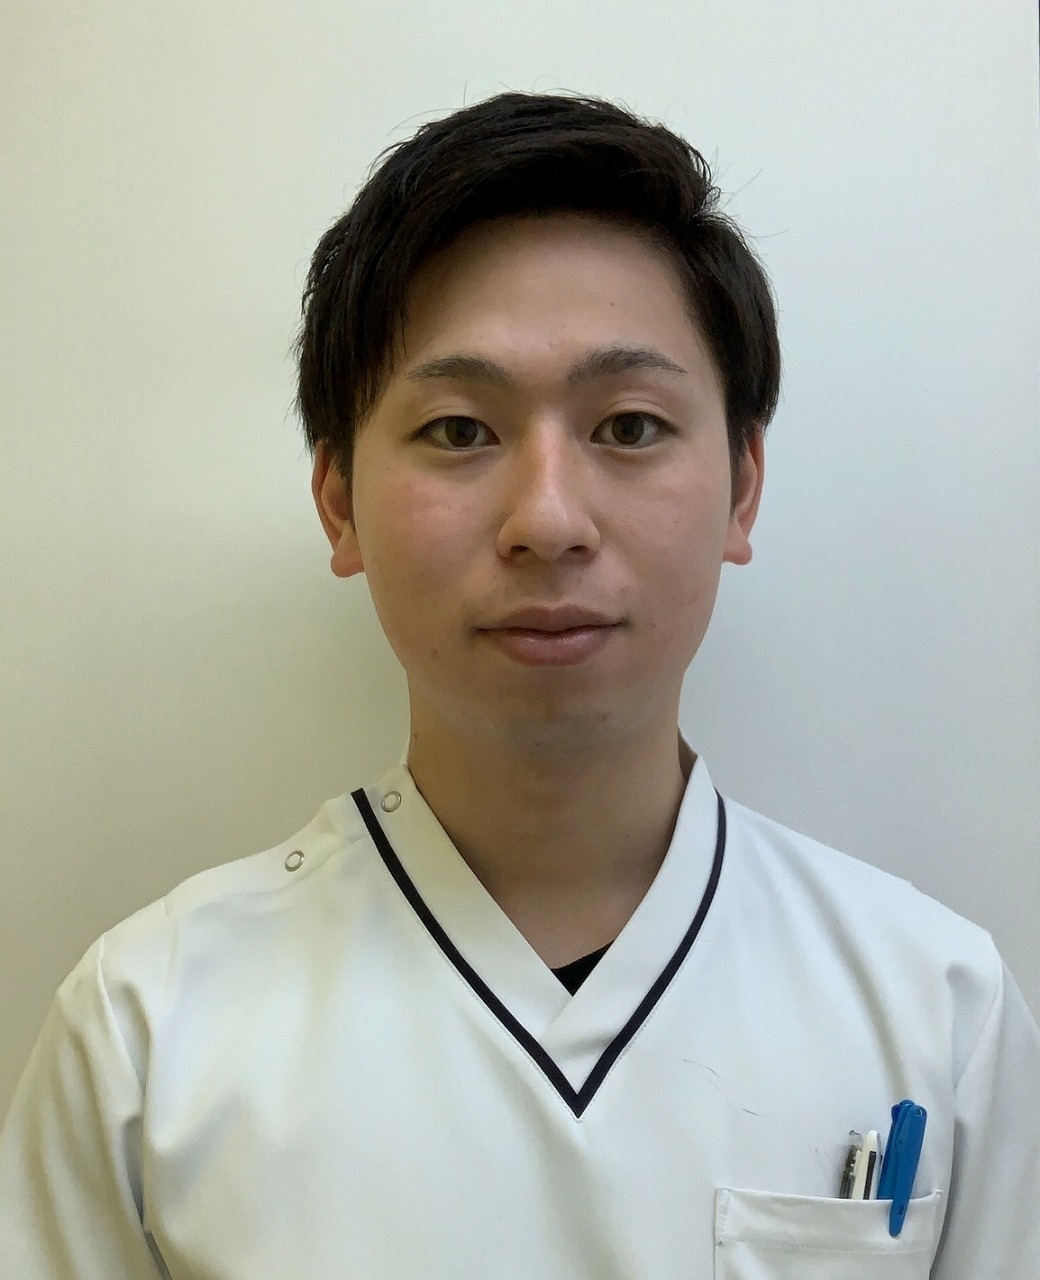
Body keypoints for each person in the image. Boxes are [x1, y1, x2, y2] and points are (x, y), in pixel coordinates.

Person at [0, 90, 1037, 1280]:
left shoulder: (934, 1007)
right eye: (458, 430)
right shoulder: (144, 1030)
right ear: (337, 502)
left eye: (629, 425)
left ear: (741, 486)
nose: (547, 519)